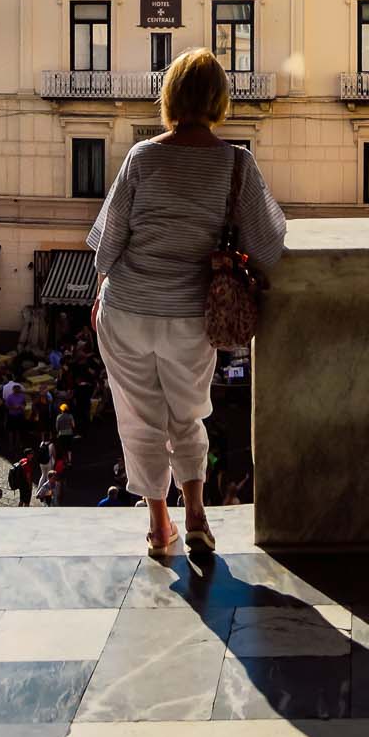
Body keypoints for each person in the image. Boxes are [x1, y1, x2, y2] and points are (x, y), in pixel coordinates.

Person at [88, 48, 285, 558]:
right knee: (187, 415)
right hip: (190, 315)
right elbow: (269, 245)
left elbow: (109, 242)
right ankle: (196, 515)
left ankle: (159, 527)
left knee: (139, 418)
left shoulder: (142, 156)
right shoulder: (235, 164)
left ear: (169, 97)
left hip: (127, 309)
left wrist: (101, 294)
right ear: (220, 100)